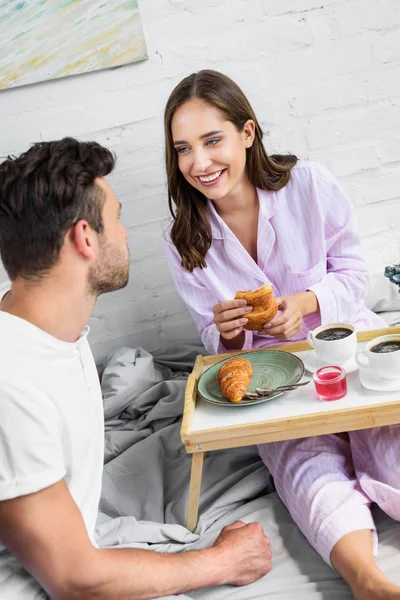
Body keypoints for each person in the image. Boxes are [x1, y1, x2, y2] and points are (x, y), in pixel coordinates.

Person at [163, 69, 400, 600]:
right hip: (274, 377)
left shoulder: (309, 184)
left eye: (212, 140)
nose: (199, 163)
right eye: (183, 149)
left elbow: (355, 275)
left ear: (248, 133)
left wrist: (308, 302)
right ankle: (369, 582)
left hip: (346, 342)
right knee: (306, 469)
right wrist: (226, 338)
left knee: (391, 444)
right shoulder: (183, 239)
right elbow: (214, 340)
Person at [0, 138, 271, 600]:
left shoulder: (51, 330)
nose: (125, 234)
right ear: (85, 238)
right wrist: (221, 561)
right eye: (117, 218)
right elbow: (74, 578)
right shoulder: (12, 385)